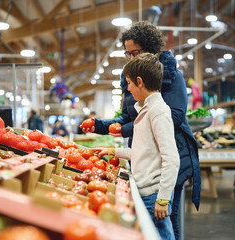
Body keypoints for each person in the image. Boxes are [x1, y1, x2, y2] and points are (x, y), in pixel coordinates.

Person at [82, 21, 201, 240]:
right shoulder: (140, 98)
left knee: (167, 221)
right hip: (147, 166)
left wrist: (163, 198)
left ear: (150, 47)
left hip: (163, 168)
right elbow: (128, 118)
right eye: (128, 53)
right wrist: (100, 126)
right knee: (155, 226)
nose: (131, 57)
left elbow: (172, 123)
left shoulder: (163, 97)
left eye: (135, 52)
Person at [93, 53, 179, 239]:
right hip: (147, 192)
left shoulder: (158, 112)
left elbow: (171, 159)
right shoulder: (146, 110)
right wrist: (111, 151)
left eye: (129, 83)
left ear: (139, 81)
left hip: (154, 194)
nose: (129, 88)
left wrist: (163, 199)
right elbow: (143, 152)